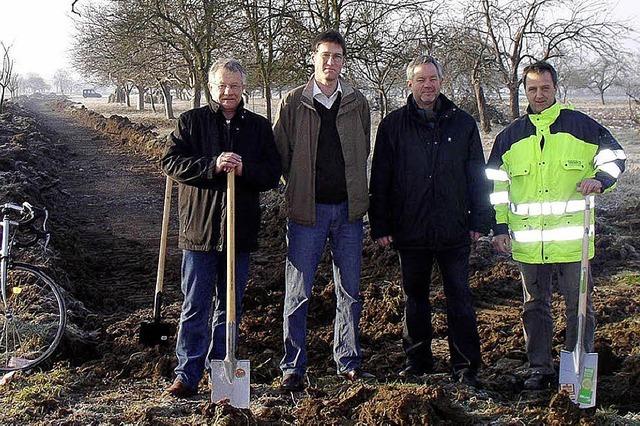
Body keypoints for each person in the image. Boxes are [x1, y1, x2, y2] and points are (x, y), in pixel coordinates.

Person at [486, 60, 626, 390]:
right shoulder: (509, 137)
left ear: (555, 88)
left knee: (579, 307)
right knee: (534, 307)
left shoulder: (582, 127)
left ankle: (577, 364)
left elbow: (616, 157)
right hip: (529, 245)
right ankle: (540, 367)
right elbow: (495, 186)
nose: (538, 94)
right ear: (524, 92)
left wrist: (600, 180)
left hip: (572, 240)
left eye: (544, 88)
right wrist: (500, 228)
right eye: (532, 89)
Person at [369, 55, 492, 387]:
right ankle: (417, 362)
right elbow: (380, 177)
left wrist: (480, 219)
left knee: (460, 298)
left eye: (433, 79)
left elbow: (477, 177)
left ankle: (465, 366)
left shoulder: (463, 123)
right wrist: (380, 223)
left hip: (454, 227)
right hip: (411, 229)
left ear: (441, 81)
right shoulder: (392, 126)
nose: (428, 85)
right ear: (409, 84)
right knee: (415, 298)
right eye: (421, 80)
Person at [161, 58, 281, 397]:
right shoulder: (191, 122)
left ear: (244, 88)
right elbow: (170, 162)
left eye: (235, 85)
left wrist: (246, 170)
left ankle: (221, 372)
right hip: (199, 230)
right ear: (212, 87)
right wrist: (211, 165)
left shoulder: (258, 128)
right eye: (222, 86)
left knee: (230, 306)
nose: (228, 92)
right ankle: (187, 374)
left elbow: (273, 173)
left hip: (239, 233)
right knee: (195, 304)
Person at [273, 30, 372, 392]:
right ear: (313, 58)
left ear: (344, 61)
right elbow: (280, 153)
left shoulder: (357, 103)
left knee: (350, 290)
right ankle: (293, 365)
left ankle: (347, 360)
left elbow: (363, 149)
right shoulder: (293, 102)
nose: (331, 63)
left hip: (348, 214)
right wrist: (299, 186)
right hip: (307, 214)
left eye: (337, 57)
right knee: (298, 291)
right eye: (325, 56)